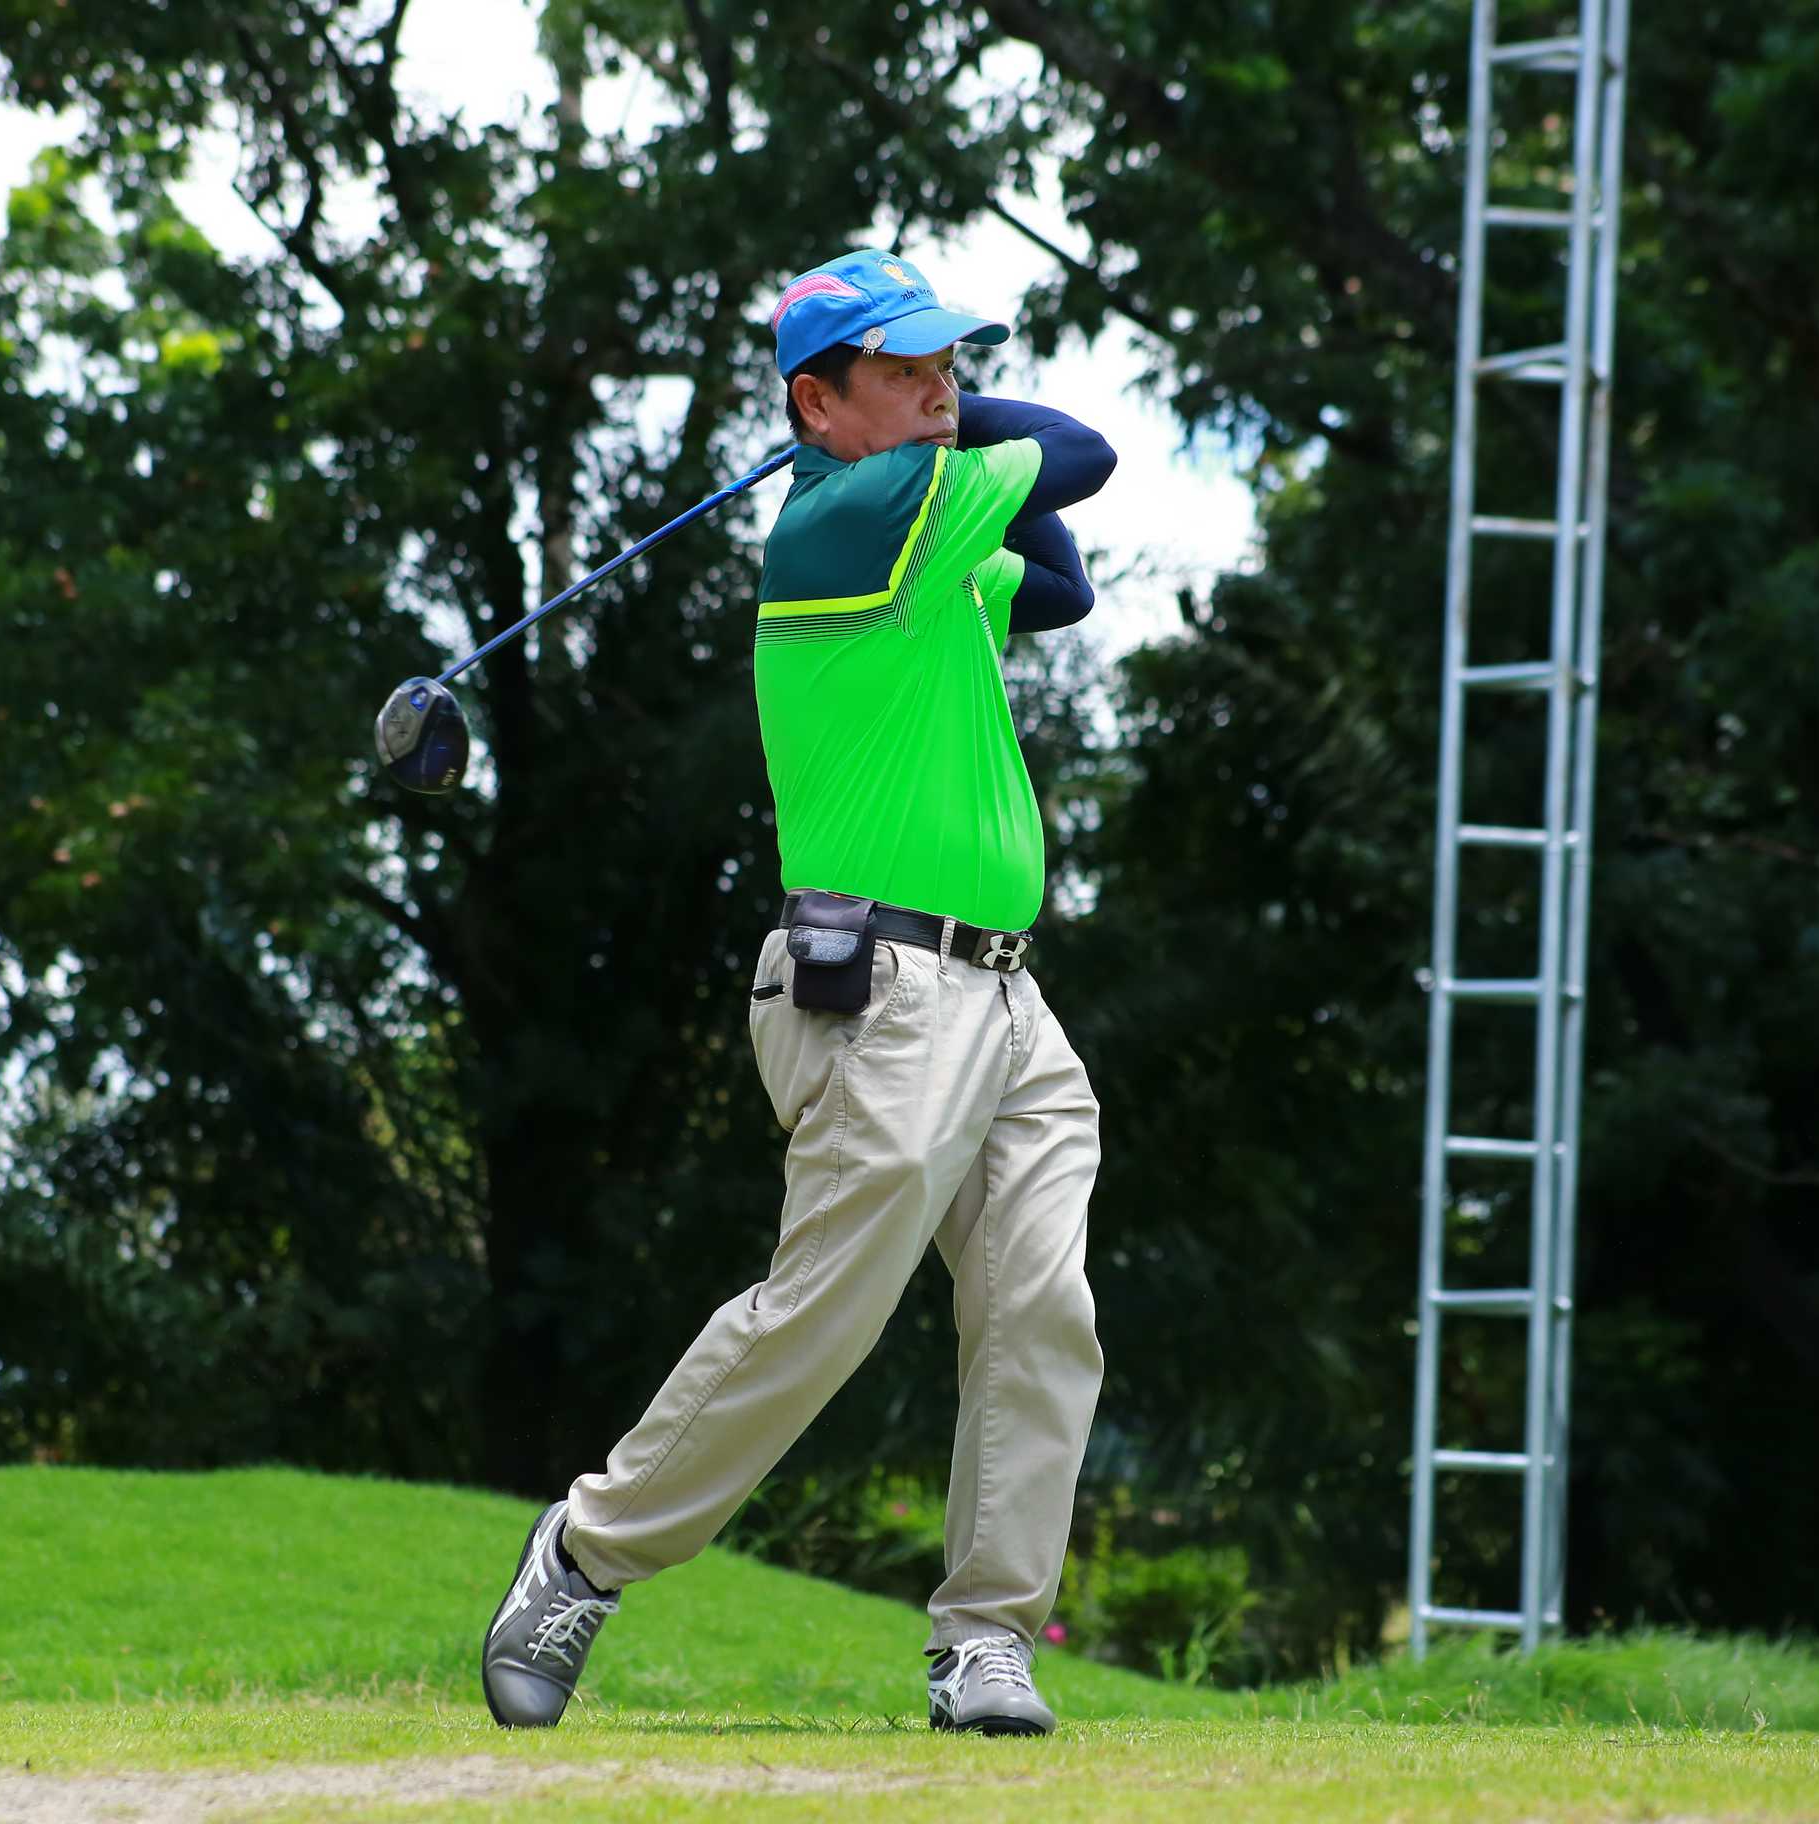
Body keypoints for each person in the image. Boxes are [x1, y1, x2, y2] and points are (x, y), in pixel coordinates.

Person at [480, 249, 1118, 1736]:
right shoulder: (849, 519)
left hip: (1007, 999)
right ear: (814, 407)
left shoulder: (923, 527)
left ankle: (985, 1640)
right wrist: (946, 433)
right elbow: (1081, 453)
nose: (942, 388)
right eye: (905, 368)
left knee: (1043, 1307)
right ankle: (583, 1553)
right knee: (825, 1313)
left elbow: (1062, 585)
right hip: (883, 989)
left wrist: (928, 416)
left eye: (949, 362)